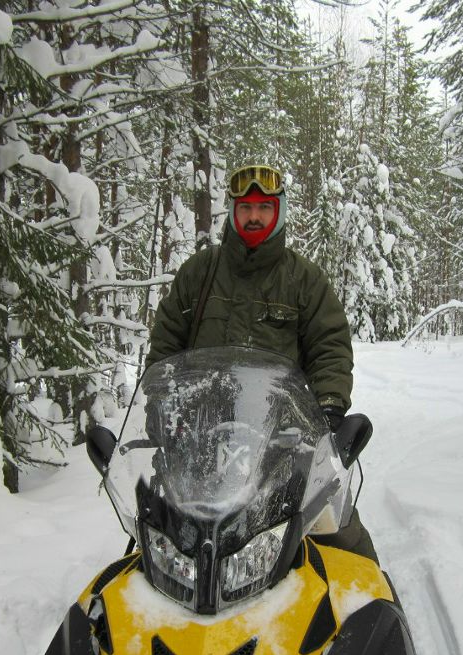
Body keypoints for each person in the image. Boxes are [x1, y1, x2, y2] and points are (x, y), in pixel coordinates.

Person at [147, 163, 376, 561]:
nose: (254, 216)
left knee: (341, 538)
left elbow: (330, 347)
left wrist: (328, 410)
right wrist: (159, 405)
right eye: (246, 207)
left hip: (282, 448)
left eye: (265, 208)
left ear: (279, 211)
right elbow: (166, 344)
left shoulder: (304, 280)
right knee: (157, 546)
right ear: (233, 212)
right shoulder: (199, 274)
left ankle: (372, 606)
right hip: (198, 446)